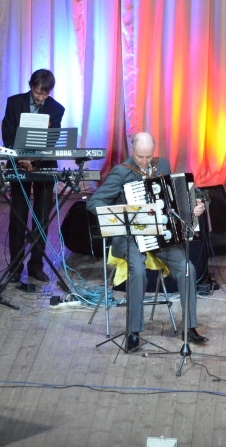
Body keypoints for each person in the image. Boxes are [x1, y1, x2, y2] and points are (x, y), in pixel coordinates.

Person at [86, 132, 207, 352]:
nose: (144, 161)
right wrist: (124, 214)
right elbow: (94, 203)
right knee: (138, 271)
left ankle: (189, 327)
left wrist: (197, 205)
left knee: (187, 268)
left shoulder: (164, 165)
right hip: (131, 237)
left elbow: (176, 196)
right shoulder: (121, 172)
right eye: (140, 157)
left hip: (160, 236)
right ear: (132, 150)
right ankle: (133, 331)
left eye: (148, 156)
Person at [1, 69, 65, 291]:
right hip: (18, 163)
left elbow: (52, 141)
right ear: (31, 86)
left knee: (41, 217)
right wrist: (21, 159)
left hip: (43, 166)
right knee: (18, 215)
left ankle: (36, 266)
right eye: (37, 93)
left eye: (44, 94)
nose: (40, 98)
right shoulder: (14, 102)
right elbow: (8, 135)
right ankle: (15, 267)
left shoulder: (56, 109)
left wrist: (34, 161)